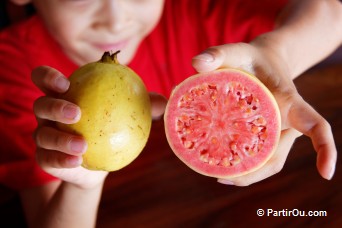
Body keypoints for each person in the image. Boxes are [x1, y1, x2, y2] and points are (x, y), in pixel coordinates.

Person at [0, 0, 341, 227]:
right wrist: (83, 182)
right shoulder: (14, 65)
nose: (116, 20)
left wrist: (278, 51)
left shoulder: (193, 11)